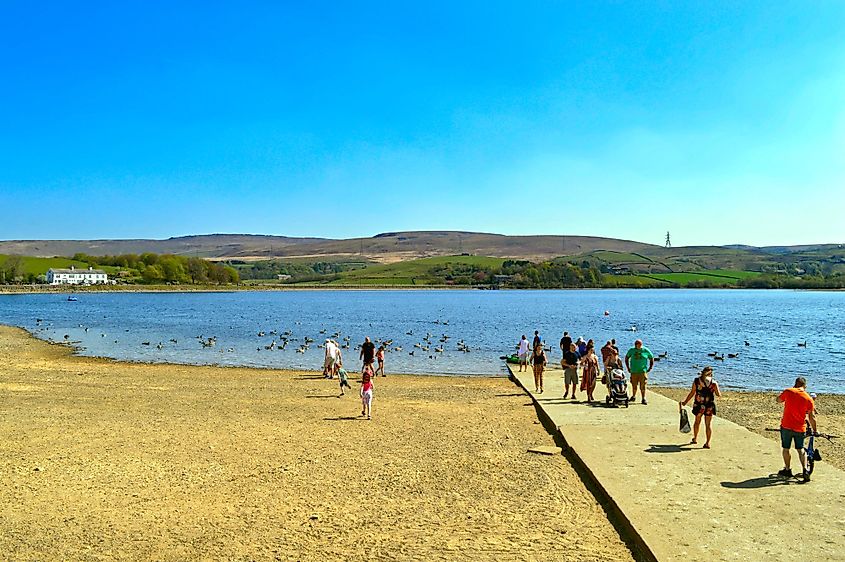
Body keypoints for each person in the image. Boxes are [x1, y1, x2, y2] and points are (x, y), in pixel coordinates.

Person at [777, 377, 817, 481]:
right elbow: (812, 417)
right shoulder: (809, 398)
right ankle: (805, 470)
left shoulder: (789, 391)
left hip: (786, 425)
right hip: (800, 427)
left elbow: (778, 400)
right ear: (805, 386)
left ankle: (787, 469)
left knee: (786, 449)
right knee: (800, 449)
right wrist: (815, 430)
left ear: (795, 384)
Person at [680, 366, 722, 448]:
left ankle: (695, 438)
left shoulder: (697, 381)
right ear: (711, 374)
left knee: (697, 422)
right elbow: (718, 394)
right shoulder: (714, 383)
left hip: (699, 405)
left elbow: (692, 393)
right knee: (708, 425)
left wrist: (685, 402)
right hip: (709, 405)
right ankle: (707, 443)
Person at [625, 339, 654, 405]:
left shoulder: (645, 350)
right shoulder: (631, 350)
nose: (638, 346)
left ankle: (643, 398)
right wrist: (628, 367)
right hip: (634, 371)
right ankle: (633, 396)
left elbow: (651, 358)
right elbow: (626, 358)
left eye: (639, 345)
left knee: (643, 386)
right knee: (634, 385)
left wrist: (650, 367)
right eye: (637, 345)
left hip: (642, 371)